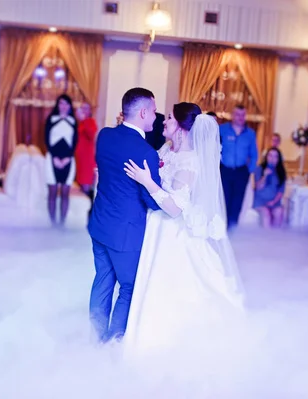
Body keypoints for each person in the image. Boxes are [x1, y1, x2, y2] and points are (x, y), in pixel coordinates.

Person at [122, 105, 245, 359]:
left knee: (171, 286)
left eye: (168, 118)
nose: (163, 121)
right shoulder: (168, 149)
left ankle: (162, 343)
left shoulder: (190, 162)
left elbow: (175, 208)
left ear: (180, 126)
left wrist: (147, 181)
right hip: (156, 226)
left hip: (172, 232)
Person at [88, 87, 161, 344]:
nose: (156, 115)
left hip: (100, 224)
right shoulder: (146, 153)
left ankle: (94, 339)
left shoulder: (105, 136)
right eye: (153, 110)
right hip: (125, 232)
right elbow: (152, 199)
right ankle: (113, 344)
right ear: (143, 112)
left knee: (103, 281)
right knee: (128, 288)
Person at [219, 104, 258, 229]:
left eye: (243, 115)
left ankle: (232, 228)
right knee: (224, 199)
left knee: (238, 201)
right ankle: (221, 228)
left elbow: (254, 154)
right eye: (237, 114)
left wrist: (249, 171)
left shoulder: (250, 133)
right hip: (224, 170)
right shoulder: (222, 129)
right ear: (232, 115)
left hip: (241, 172)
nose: (240, 117)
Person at [44, 94, 78, 227]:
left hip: (69, 160)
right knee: (52, 192)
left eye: (66, 104)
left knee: (65, 193)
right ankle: (53, 224)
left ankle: (62, 225)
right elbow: (46, 139)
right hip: (52, 159)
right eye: (61, 103)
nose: (64, 106)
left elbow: (75, 142)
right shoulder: (51, 119)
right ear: (57, 105)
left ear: (70, 106)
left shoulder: (73, 121)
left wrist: (67, 158)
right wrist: (55, 158)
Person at [74, 102, 98, 218]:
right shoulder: (81, 122)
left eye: (86, 108)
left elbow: (90, 135)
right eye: (82, 108)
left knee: (86, 185)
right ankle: (84, 213)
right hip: (80, 158)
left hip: (87, 158)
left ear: (90, 111)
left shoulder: (90, 122)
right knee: (81, 184)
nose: (84, 110)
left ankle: (89, 214)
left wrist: (83, 120)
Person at [253, 147, 287, 228]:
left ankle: (275, 238)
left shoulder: (281, 172)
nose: (272, 158)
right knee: (266, 214)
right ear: (266, 157)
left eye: (275, 156)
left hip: (274, 201)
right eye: (270, 156)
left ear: (278, 159)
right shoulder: (259, 169)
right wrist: (264, 175)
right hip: (260, 201)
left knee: (279, 212)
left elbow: (281, 191)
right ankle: (266, 237)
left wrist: (273, 202)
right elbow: (258, 187)